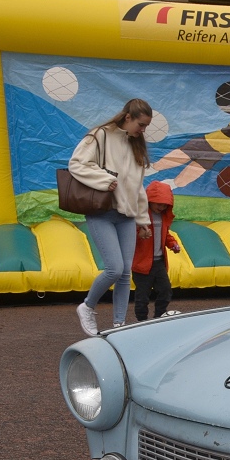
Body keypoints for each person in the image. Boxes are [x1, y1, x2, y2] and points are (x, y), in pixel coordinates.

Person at [71, 98, 154, 336]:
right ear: (128, 117)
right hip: (101, 211)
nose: (143, 130)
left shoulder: (136, 144)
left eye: (146, 126)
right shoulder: (101, 135)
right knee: (114, 269)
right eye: (141, 124)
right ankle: (87, 306)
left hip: (126, 216)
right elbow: (77, 164)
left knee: (126, 272)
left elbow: (137, 187)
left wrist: (143, 221)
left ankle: (119, 325)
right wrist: (105, 179)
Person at [132, 180, 182, 321]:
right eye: (159, 204)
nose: (162, 207)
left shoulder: (163, 216)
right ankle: (141, 320)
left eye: (165, 205)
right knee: (142, 296)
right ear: (149, 200)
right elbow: (130, 235)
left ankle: (159, 317)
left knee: (165, 291)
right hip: (141, 263)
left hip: (159, 262)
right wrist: (139, 234)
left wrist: (173, 244)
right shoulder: (141, 216)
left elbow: (165, 235)